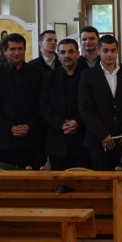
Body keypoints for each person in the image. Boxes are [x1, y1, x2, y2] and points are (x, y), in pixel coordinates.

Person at [0, 34, 44, 169]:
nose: (16, 53)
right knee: (5, 181)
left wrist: (29, 125)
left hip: (30, 137)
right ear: (4, 51)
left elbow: (42, 104)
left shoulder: (37, 73)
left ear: (24, 50)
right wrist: (9, 127)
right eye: (12, 49)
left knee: (31, 181)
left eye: (20, 49)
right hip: (4, 138)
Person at [78, 35, 122, 171]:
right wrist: (102, 133)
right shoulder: (88, 75)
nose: (109, 54)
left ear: (118, 51)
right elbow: (85, 108)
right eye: (105, 50)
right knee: (101, 184)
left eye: (113, 50)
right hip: (98, 141)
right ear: (98, 51)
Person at [41, 38, 91, 170]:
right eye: (62, 52)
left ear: (78, 54)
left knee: (83, 183)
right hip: (58, 140)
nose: (66, 56)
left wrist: (78, 122)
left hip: (83, 139)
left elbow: (92, 104)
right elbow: (44, 106)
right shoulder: (49, 77)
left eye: (71, 52)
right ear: (58, 55)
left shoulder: (88, 76)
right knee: (60, 183)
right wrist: (60, 124)